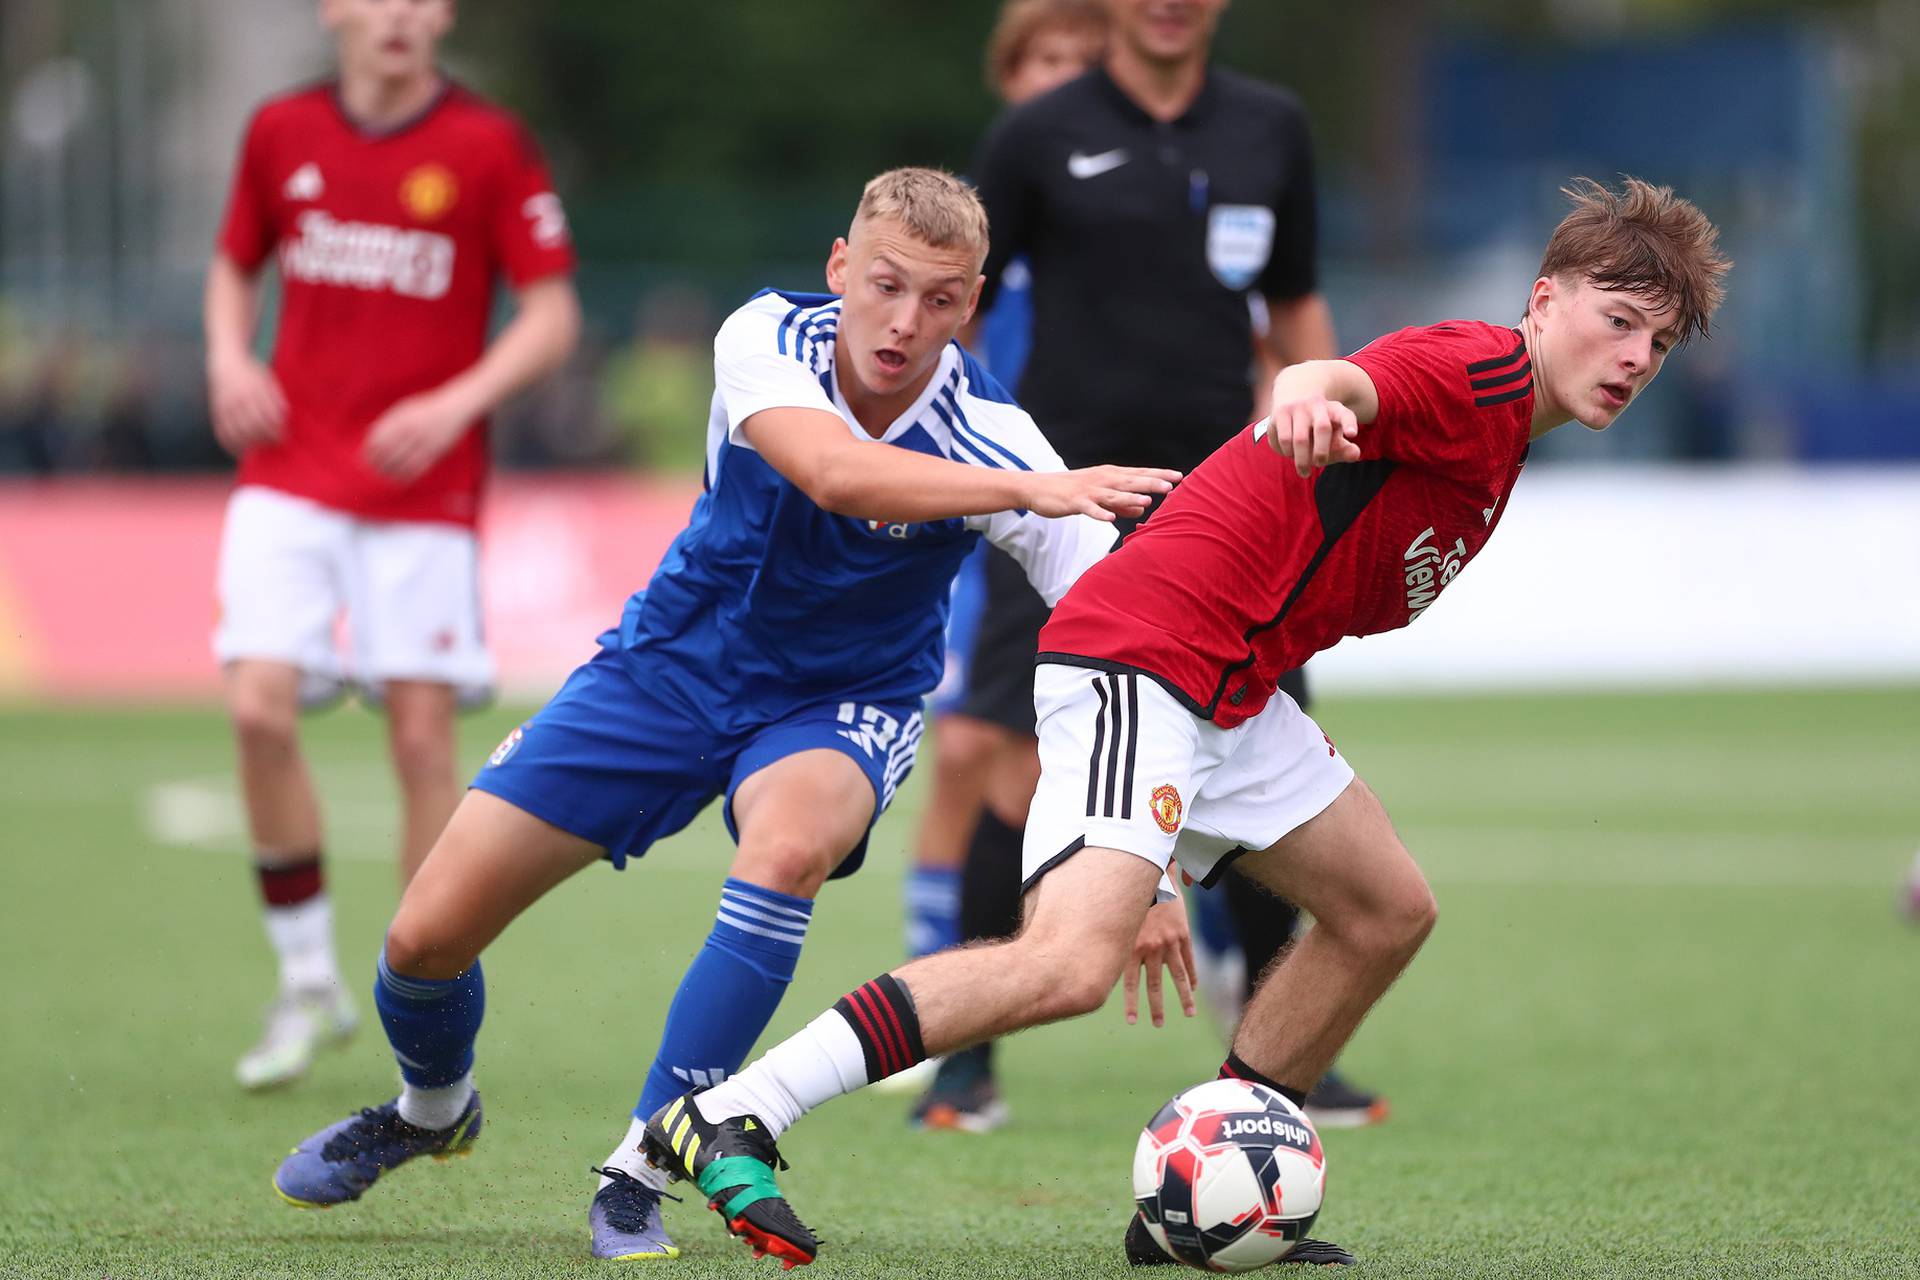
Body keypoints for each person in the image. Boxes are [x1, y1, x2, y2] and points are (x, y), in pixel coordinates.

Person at [642, 176, 1732, 1271]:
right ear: (1544, 300)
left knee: (1385, 908)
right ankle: (737, 1109)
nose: (1636, 356)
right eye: (1618, 318)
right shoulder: (1480, 369)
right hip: (1146, 652)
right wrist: (1309, 394)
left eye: (1660, 340)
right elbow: (1342, 375)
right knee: (1071, 963)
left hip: (1229, 684)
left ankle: (1210, 1195)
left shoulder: (1507, 441)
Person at [266, 167, 1182, 1263]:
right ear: (841, 267)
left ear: (972, 304)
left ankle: (641, 1164)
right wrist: (1026, 490)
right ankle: (431, 1108)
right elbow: (833, 472)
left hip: (842, 703)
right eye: (885, 284)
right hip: (665, 666)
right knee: (421, 940)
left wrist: (1150, 868)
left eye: (940, 300)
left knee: (789, 844)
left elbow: (1120, 640)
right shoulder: (768, 337)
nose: (904, 322)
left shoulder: (1000, 436)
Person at [911, 0, 1385, 1134]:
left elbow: (1295, 307)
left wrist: (1329, 403)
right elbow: (960, 310)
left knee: (1271, 755)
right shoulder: (1038, 131)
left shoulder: (1272, 127)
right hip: (1063, 500)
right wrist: (969, 459)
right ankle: (965, 1064)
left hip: (1238, 504)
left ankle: (1275, 1052)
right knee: (1015, 759)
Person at [206, 0, 580, 1091]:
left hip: (425, 490)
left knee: (420, 740)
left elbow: (549, 314)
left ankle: (411, 994)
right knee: (255, 705)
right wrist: (231, 357)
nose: (401, 17)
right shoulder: (281, 131)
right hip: (287, 468)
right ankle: (306, 977)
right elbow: (234, 262)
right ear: (337, 12)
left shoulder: (487, 143)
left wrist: (456, 401)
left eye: (423, 1)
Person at [895, 0, 1109, 1117]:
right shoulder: (978, 250)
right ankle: (941, 997)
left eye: (1084, 61)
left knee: (1017, 753)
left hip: (1072, 508)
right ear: (1011, 77)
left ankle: (1237, 985)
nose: (1065, 79)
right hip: (992, 512)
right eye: (1046, 62)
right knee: (973, 747)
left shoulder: (1112, 221)